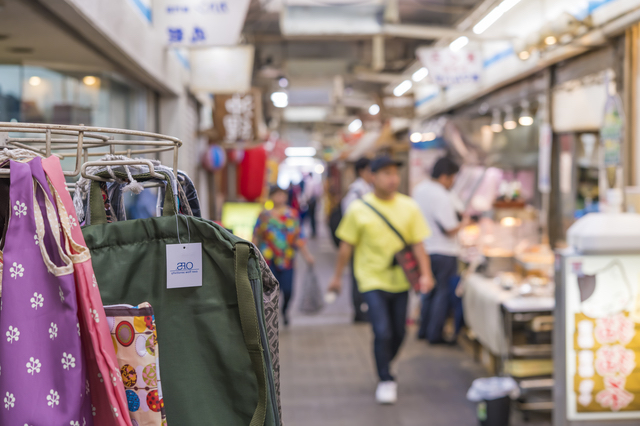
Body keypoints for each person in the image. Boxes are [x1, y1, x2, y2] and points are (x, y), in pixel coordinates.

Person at [328, 155, 434, 405]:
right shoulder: (358, 209)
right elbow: (346, 246)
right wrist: (337, 277)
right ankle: (386, 378)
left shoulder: (409, 207)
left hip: (400, 280)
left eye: (395, 173)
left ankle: (385, 361)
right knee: (382, 330)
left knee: (399, 332)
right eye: (386, 173)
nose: (393, 179)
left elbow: (418, 245)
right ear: (372, 177)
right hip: (370, 278)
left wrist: (427, 274)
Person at [413, 157, 470, 344]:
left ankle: (423, 330)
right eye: (452, 177)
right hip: (444, 251)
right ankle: (434, 334)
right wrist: (464, 224)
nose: (453, 182)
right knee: (442, 293)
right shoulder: (441, 195)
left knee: (427, 291)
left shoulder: (419, 190)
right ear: (445, 176)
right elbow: (449, 228)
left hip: (424, 249)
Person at [254, 185, 315, 326]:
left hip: (287, 259)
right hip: (268, 260)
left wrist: (307, 256)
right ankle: (270, 319)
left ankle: (285, 310)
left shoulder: (292, 215)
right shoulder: (264, 216)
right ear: (271, 196)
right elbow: (256, 236)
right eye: (276, 195)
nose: (279, 198)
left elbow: (298, 238)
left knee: (288, 290)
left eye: (282, 195)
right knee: (270, 292)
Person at [342, 157, 374, 322]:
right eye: (371, 170)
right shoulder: (356, 191)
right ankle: (359, 312)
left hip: (369, 244)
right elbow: (350, 218)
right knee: (357, 277)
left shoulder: (368, 189)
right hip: (358, 242)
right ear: (362, 171)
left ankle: (364, 309)